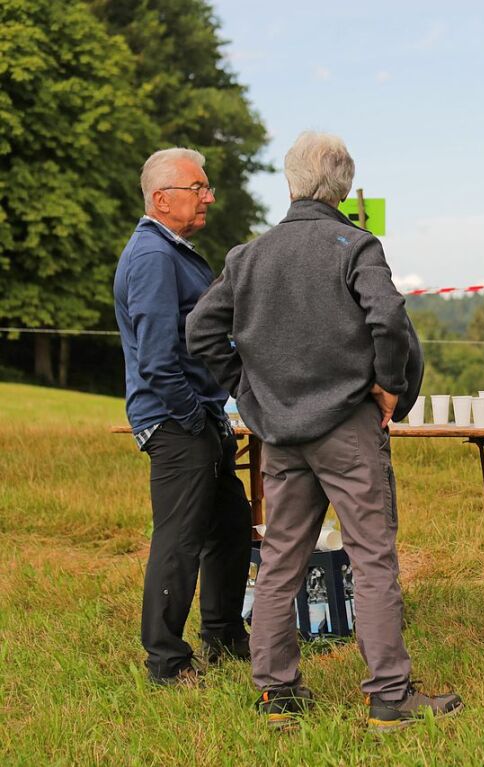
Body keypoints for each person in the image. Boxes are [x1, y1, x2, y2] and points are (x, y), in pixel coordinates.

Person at [186, 131, 462, 731]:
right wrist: (389, 382)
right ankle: (390, 696)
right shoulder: (355, 244)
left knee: (281, 561)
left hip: (280, 433)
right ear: (340, 185)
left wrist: (247, 389)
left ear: (291, 182)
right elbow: (388, 316)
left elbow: (201, 331)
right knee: (372, 559)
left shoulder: (249, 255)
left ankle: (277, 694)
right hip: (347, 427)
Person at [113, 147, 253, 685]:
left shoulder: (171, 250)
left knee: (230, 525)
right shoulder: (152, 256)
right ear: (162, 198)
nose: (209, 197)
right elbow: (155, 357)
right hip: (176, 421)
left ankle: (223, 635)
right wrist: (194, 418)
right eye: (199, 188)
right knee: (180, 539)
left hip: (196, 416)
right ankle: (167, 663)